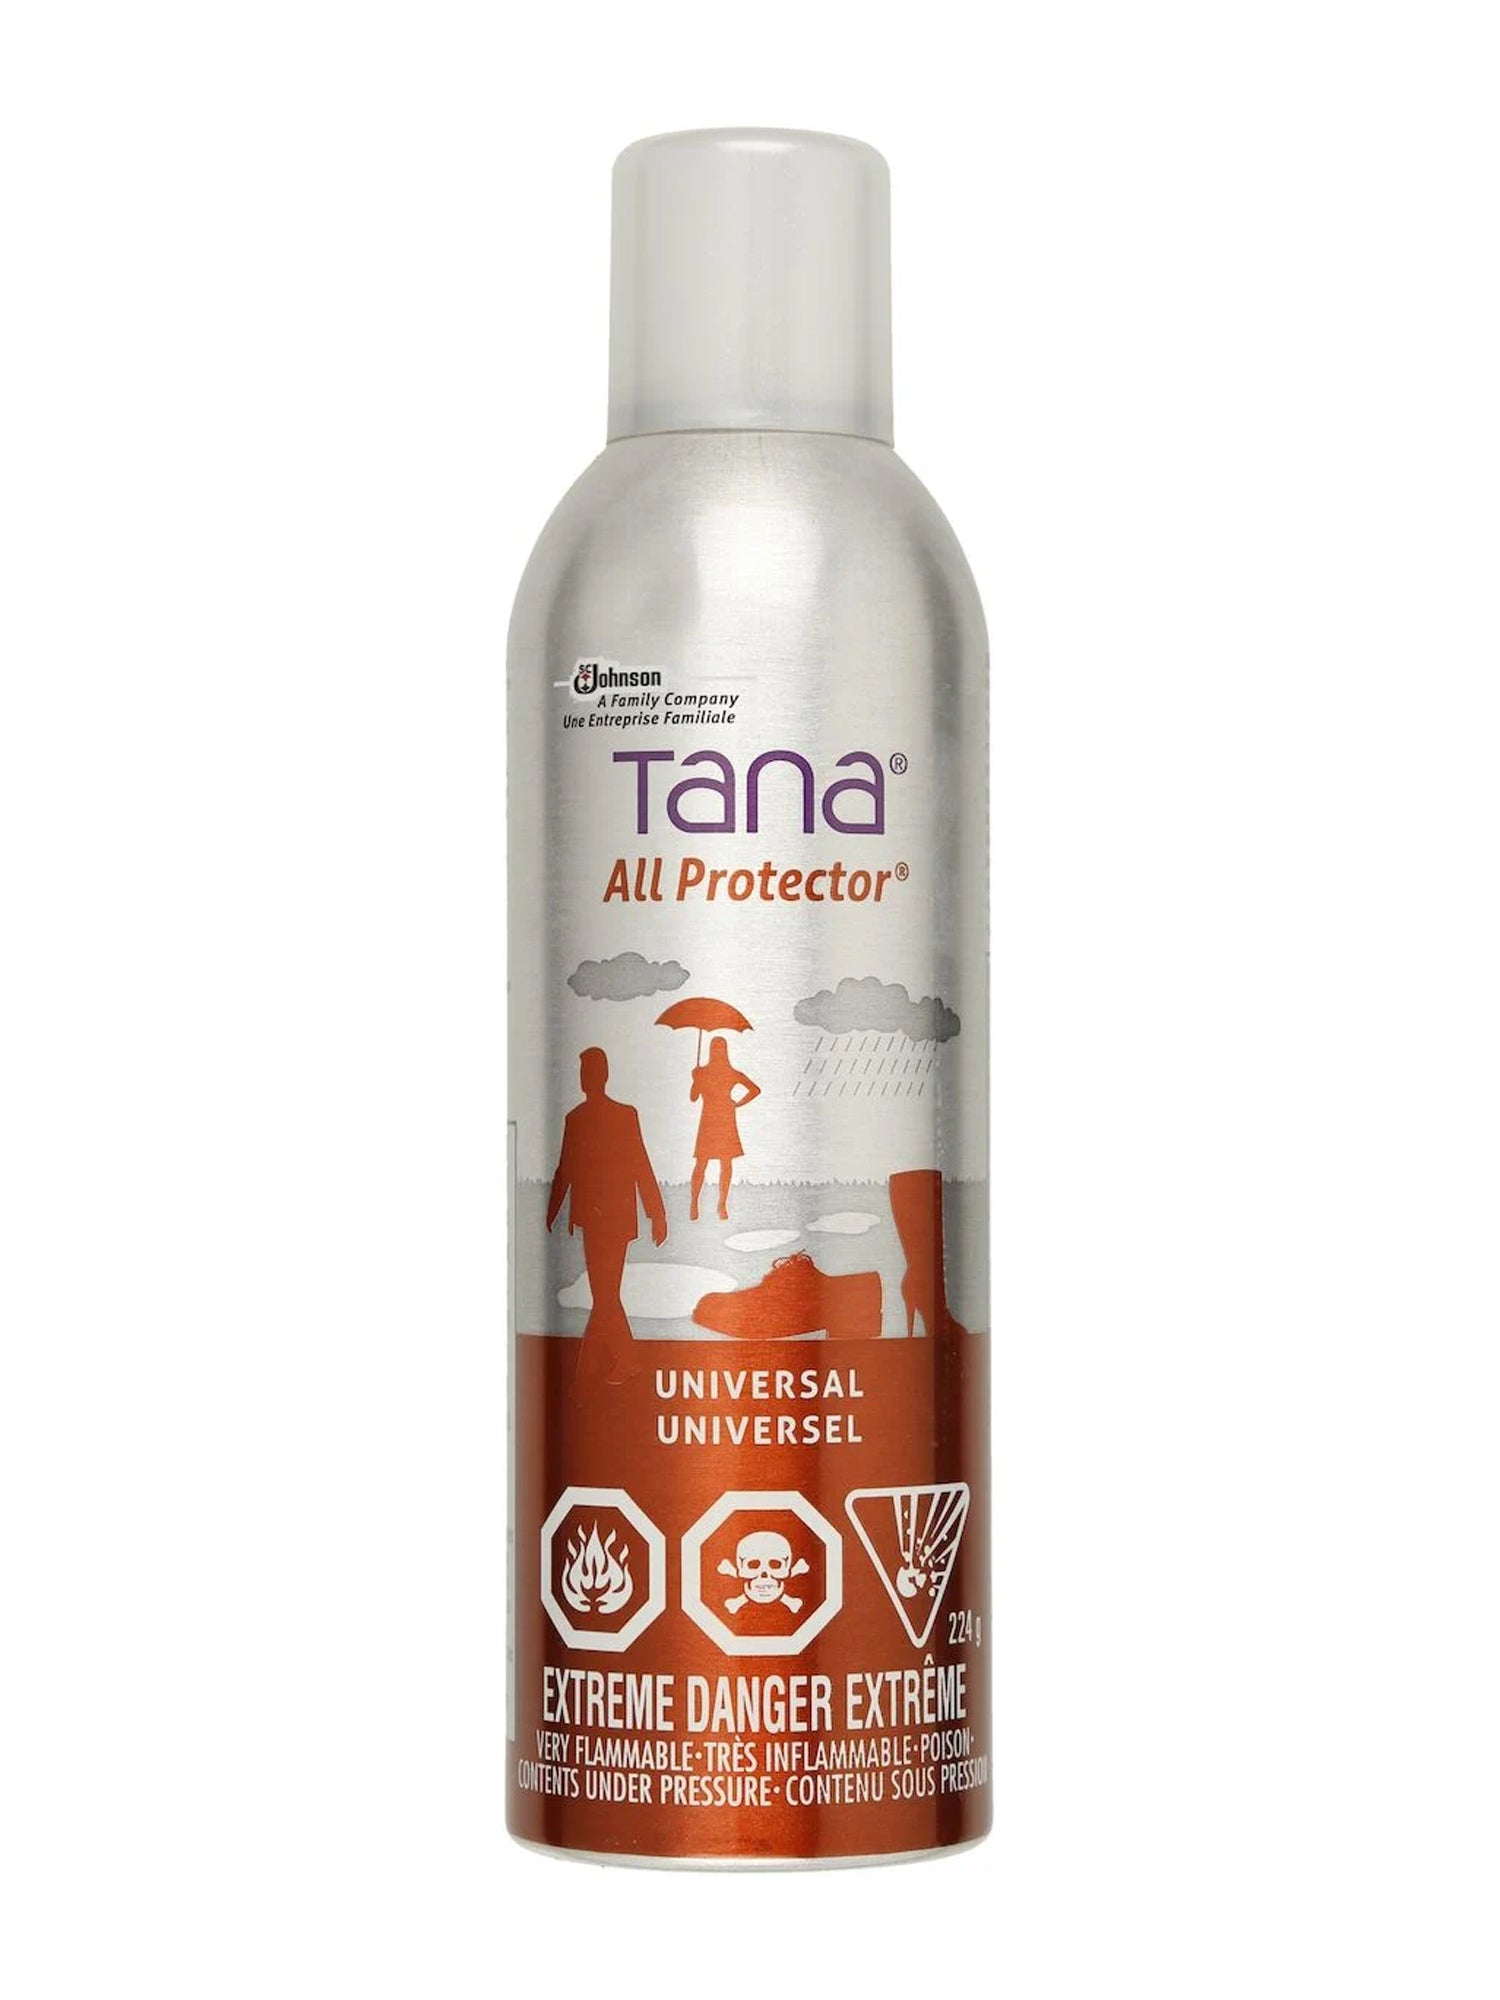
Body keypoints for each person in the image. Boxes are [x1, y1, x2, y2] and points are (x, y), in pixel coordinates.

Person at [547, 1047, 667, 1386]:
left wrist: (656, 1212)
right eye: (583, 1071)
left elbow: (640, 1164)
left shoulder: (618, 1116)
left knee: (604, 1294)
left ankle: (611, 1365)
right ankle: (591, 1369)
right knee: (605, 1294)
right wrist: (552, 1209)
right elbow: (565, 1169)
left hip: (609, 1220)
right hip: (598, 1220)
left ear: (599, 1076)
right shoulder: (579, 1118)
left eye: (588, 1071)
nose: (584, 1077)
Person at [689, 1036, 760, 1221]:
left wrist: (738, 1104)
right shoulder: (707, 1073)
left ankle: (719, 1204)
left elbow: (755, 1090)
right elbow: (694, 1097)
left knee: (718, 1162)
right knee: (707, 1162)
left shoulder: (725, 1073)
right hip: (714, 1119)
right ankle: (696, 1203)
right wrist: (695, 1079)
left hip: (719, 1119)